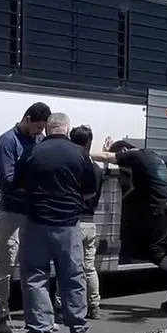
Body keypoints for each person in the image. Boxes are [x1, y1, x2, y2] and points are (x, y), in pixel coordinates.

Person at [11, 113, 99, 333]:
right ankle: (77, 326)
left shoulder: (32, 152)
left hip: (36, 223)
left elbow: (17, 186)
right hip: (69, 224)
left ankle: (39, 330)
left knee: (35, 277)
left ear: (48, 129)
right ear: (67, 130)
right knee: (72, 276)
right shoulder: (80, 154)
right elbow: (90, 190)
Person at [90, 138, 167, 312]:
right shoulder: (152, 156)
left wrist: (79, 151)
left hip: (163, 207)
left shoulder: (135, 156)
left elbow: (105, 156)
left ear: (125, 150)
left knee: (154, 251)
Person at [0, 103, 51, 333]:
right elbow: (7, 181)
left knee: (34, 266)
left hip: (31, 213)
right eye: (36, 128)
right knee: (6, 265)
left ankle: (35, 316)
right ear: (26, 119)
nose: (39, 133)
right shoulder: (7, 142)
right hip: (13, 211)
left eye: (42, 129)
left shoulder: (39, 141)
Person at [54, 125, 104, 319]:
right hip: (90, 222)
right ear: (89, 143)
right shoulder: (96, 168)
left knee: (65, 266)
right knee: (89, 268)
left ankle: (60, 305)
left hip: (73, 221)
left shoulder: (73, 165)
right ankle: (95, 305)